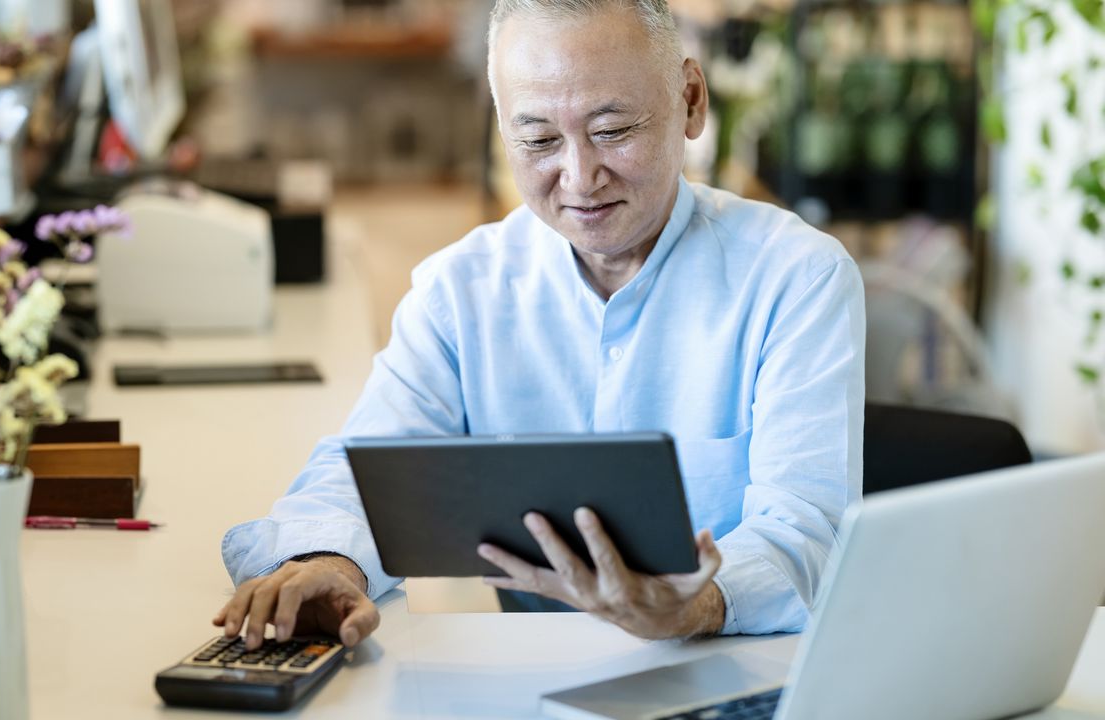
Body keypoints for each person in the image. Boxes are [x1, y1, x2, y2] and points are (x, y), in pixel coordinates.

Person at [214, 0, 864, 649]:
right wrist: (329, 564)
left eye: (613, 130)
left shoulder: (795, 278)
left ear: (691, 100)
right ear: (503, 132)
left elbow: (807, 531)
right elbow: (369, 473)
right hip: (535, 683)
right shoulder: (460, 292)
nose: (580, 177)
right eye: (540, 140)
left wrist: (695, 604)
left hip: (736, 671)